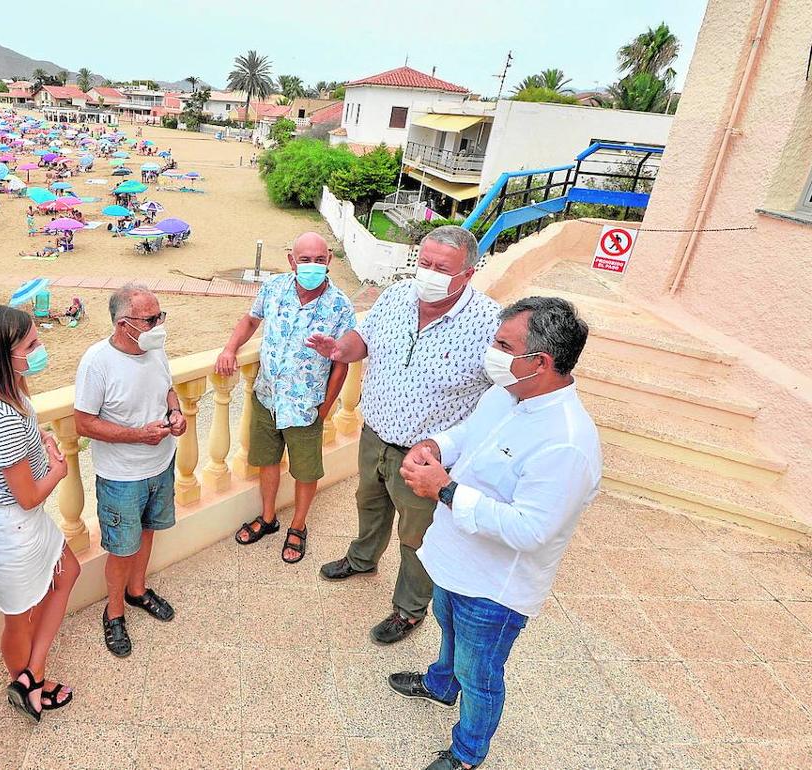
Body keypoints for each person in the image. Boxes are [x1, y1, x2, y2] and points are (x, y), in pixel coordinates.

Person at [389, 297, 600, 770]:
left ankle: (467, 754)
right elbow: (470, 434)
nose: (492, 352)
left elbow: (531, 530)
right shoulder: (507, 394)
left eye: (504, 345)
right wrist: (434, 446)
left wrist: (443, 488)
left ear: (540, 362)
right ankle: (441, 686)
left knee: (480, 672)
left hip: (493, 588)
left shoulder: (567, 443)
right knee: (447, 627)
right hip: (452, 558)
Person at [310, 225, 501, 645]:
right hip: (375, 434)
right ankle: (362, 559)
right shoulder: (397, 296)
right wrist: (342, 349)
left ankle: (409, 609)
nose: (428, 273)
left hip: (426, 458)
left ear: (468, 274)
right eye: (425, 263)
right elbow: (365, 337)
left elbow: (501, 399)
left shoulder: (489, 323)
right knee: (369, 504)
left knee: (417, 536)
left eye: (441, 268)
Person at [0, 306, 80, 722]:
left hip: (20, 522)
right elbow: (28, 496)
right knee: (19, 616)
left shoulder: (8, 390)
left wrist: (40, 439)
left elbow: (19, 446)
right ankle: (29, 682)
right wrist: (60, 471)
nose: (39, 349)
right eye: (30, 345)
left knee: (67, 573)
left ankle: (31, 674)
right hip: (11, 527)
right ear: (1, 355)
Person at [216, 232, 355, 564]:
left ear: (329, 261)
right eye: (304, 260)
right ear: (292, 260)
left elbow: (342, 361)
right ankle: (268, 517)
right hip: (267, 396)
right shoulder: (274, 288)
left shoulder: (340, 306)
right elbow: (251, 320)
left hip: (307, 407)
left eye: (319, 260)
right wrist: (229, 348)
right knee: (267, 461)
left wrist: (326, 407)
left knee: (306, 472)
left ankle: (298, 526)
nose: (312, 266)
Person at [74, 284, 186, 658]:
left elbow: (167, 388)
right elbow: (84, 424)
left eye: (160, 316)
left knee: (149, 532)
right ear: (125, 324)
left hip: (161, 465)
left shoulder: (155, 349)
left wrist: (175, 411)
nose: (160, 325)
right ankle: (115, 612)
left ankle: (137, 591)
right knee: (122, 549)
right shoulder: (97, 362)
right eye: (151, 319)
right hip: (122, 477)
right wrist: (138, 436)